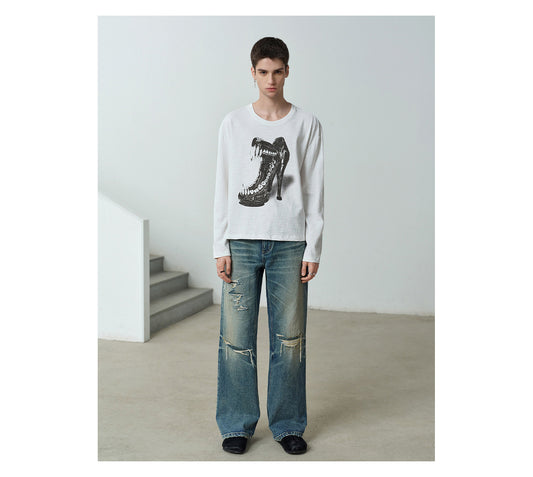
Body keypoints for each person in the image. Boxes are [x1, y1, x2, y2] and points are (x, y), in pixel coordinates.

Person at [213, 37, 324, 455]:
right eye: (263, 72)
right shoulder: (233, 124)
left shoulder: (306, 124)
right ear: (253, 73)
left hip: (290, 244)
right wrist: (220, 244)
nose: (271, 79)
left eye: (278, 71)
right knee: (235, 339)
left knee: (290, 340)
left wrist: (313, 247)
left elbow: (314, 190)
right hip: (241, 242)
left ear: (287, 71)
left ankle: (288, 424)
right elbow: (223, 185)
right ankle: (236, 424)